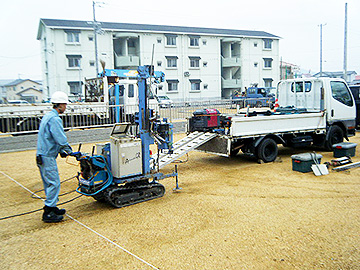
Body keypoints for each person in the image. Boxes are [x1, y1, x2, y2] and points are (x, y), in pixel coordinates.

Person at [36, 91, 72, 223]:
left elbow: (50, 137)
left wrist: (60, 150)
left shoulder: (48, 116)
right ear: (60, 105)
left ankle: (52, 206)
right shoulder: (55, 119)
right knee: (54, 183)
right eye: (65, 105)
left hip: (42, 154)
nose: (65, 107)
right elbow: (60, 138)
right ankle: (49, 212)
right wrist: (68, 149)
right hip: (47, 156)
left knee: (48, 183)